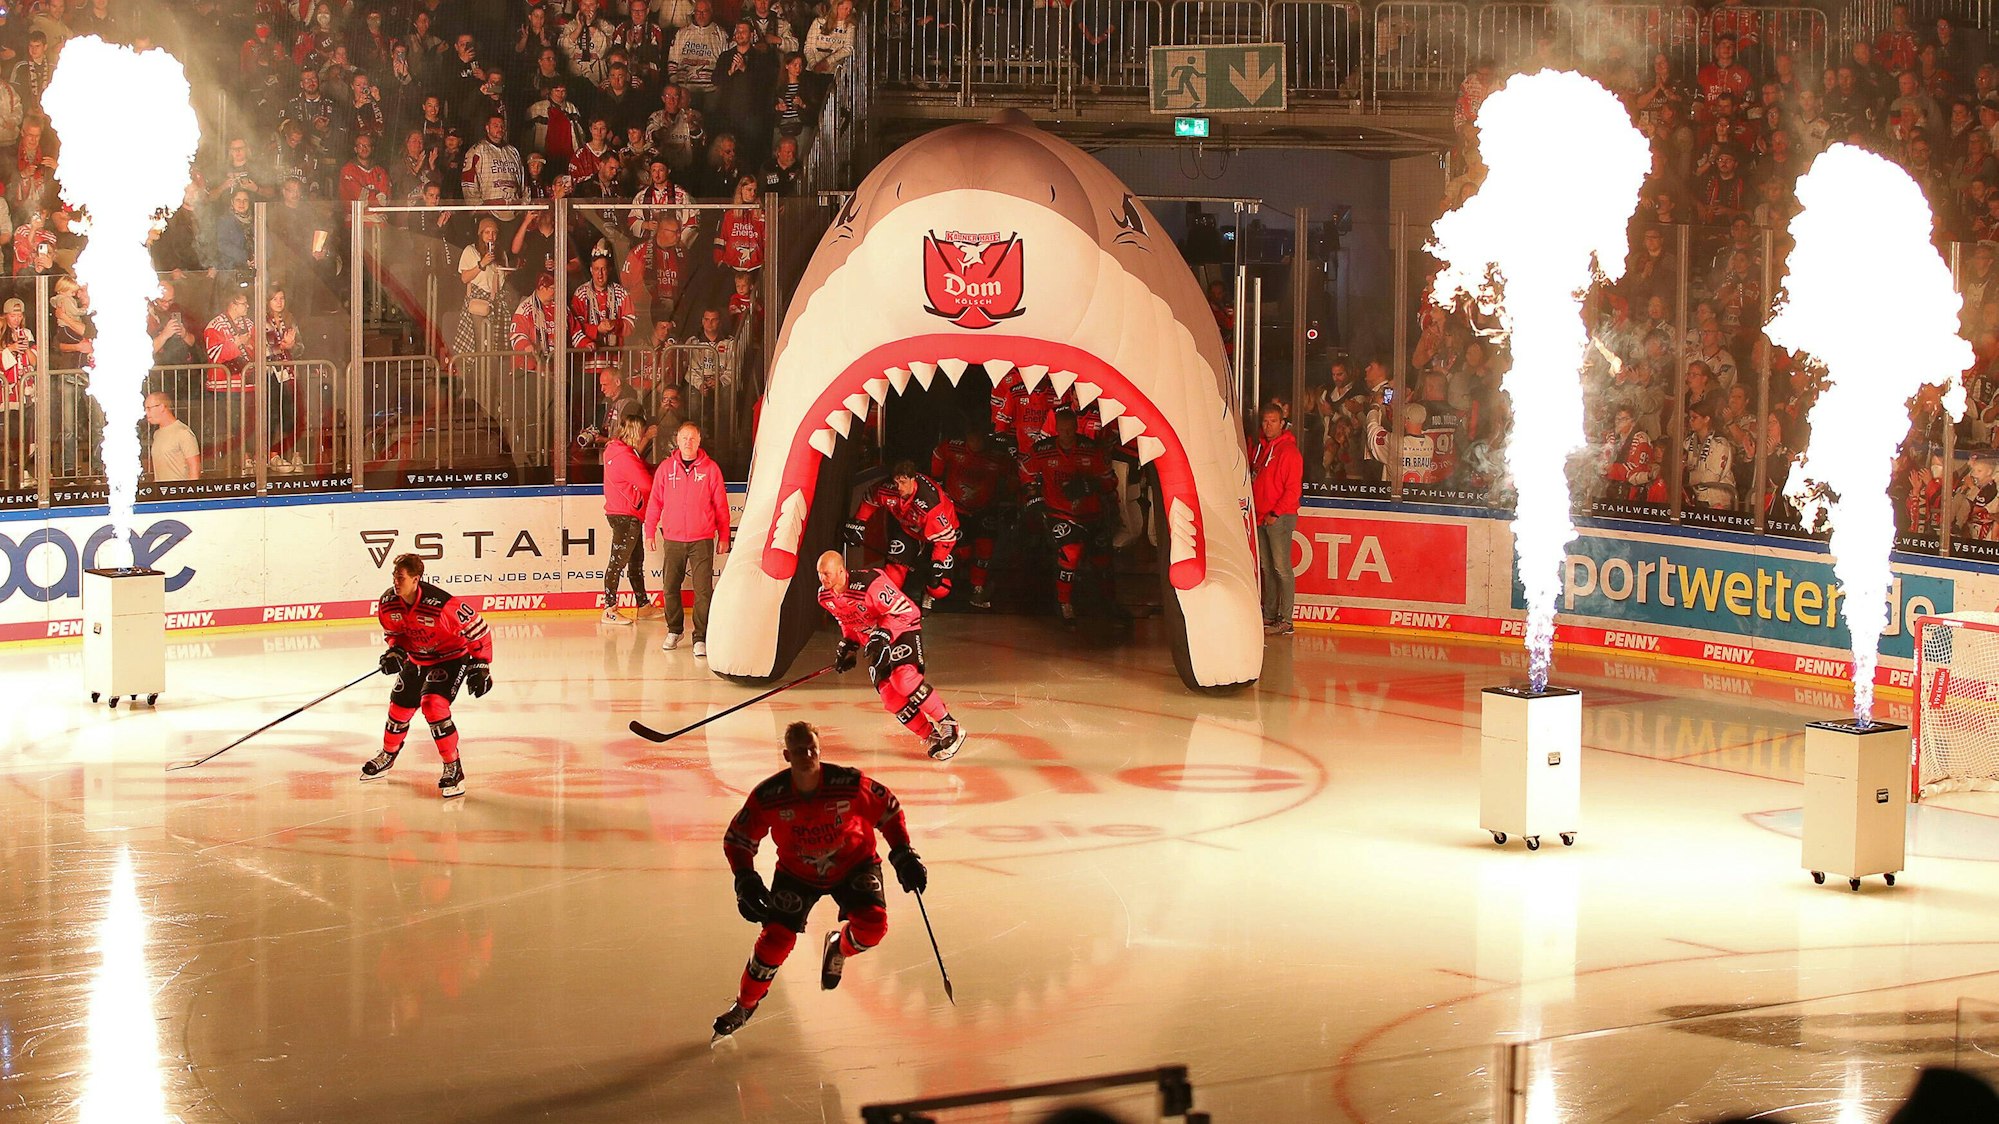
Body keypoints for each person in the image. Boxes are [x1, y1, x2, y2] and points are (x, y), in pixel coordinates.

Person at [712, 720, 929, 1039]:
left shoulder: (848, 783)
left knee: (873, 926)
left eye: (812, 748)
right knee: (774, 941)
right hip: (797, 873)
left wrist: (903, 853)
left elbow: (888, 808)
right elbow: (738, 838)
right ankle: (744, 1006)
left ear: (820, 749)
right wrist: (744, 878)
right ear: (787, 755)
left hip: (854, 864)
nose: (807, 755)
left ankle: (839, 948)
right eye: (800, 750)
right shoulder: (769, 795)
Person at [361, 553, 495, 799]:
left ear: (416, 579)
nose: (395, 582)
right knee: (398, 707)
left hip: (450, 658)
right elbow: (395, 633)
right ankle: (388, 754)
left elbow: (479, 629)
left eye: (401, 577)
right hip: (417, 659)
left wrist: (481, 664)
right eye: (394, 576)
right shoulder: (389, 602)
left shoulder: (441, 604)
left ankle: (453, 767)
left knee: (433, 705)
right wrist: (395, 651)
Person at [815, 549, 967, 760]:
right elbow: (847, 620)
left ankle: (949, 724)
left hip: (902, 630)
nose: (823, 579)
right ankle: (930, 736)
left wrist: (884, 633)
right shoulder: (824, 596)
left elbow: (907, 611)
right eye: (820, 574)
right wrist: (849, 644)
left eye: (827, 574)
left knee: (903, 680)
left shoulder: (870, 584)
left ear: (841, 571)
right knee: (890, 697)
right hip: (877, 641)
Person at [1019, 409, 1117, 622]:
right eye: (1062, 430)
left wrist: (1090, 485)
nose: (1066, 434)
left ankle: (1109, 602)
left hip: (1092, 514)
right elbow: (1025, 471)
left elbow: (1109, 481)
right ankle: (1064, 603)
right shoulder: (1043, 450)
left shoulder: (1091, 450)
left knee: (1102, 560)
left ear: (1076, 428)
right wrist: (1033, 495)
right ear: (1056, 429)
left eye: (1070, 430)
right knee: (1070, 553)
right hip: (1059, 514)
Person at [643, 421, 730, 656]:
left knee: (703, 591)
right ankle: (674, 630)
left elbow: (721, 505)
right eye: (684, 438)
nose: (688, 442)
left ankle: (700, 637)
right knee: (670, 587)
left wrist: (724, 535)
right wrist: (649, 531)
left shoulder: (711, 469)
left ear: (699, 440)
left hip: (701, 539)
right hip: (673, 539)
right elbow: (655, 502)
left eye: (692, 438)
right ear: (677, 441)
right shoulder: (665, 469)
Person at [846, 459, 959, 606]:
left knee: (939, 588)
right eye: (896, 482)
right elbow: (870, 497)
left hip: (938, 537)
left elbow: (946, 538)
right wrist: (859, 522)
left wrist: (937, 562)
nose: (899, 487)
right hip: (908, 530)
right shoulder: (888, 488)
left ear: (913, 479)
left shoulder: (930, 505)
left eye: (903, 482)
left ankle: (928, 592)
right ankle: (889, 606)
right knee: (893, 573)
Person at [930, 422, 1013, 609]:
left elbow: (1013, 475)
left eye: (979, 438)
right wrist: (937, 480)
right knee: (962, 550)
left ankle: (978, 588)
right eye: (972, 438)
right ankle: (945, 586)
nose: (975, 443)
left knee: (985, 548)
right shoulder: (953, 446)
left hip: (985, 509)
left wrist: (1009, 495)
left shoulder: (997, 455)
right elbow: (938, 453)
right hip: (956, 509)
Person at [1251, 403, 1301, 637]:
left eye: (1273, 421)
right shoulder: (1261, 449)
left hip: (1279, 517)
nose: (1268, 425)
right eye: (1265, 421)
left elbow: (1293, 490)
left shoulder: (1289, 452)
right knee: (1267, 568)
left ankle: (1287, 620)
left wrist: (1276, 513)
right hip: (1262, 516)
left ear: (1282, 423)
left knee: (1281, 568)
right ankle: (1270, 614)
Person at [601, 404, 655, 625]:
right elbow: (646, 483)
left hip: (625, 512)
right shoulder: (625, 456)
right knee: (618, 562)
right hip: (626, 514)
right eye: (642, 434)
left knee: (634, 561)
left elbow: (640, 468)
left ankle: (643, 605)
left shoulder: (617, 451)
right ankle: (609, 609)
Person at [145, 391, 201, 482]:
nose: (146, 413)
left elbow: (194, 468)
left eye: (149, 408)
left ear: (161, 407)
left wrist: (190, 489)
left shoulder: (183, 432)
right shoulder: (157, 434)